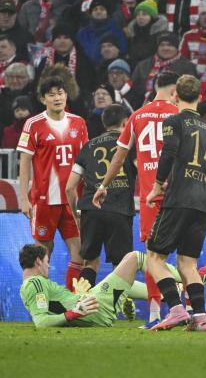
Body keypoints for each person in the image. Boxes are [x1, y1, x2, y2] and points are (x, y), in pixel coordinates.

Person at [92, 71, 180, 329]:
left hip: (149, 197)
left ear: (155, 88)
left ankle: (154, 314)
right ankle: (189, 309)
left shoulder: (137, 116)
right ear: (175, 89)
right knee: (185, 256)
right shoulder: (179, 114)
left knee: (153, 255)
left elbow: (119, 157)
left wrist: (103, 186)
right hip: (178, 192)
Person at [144, 74, 206, 332]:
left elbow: (170, 151)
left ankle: (176, 309)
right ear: (200, 97)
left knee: (154, 256)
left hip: (180, 198)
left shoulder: (174, 120)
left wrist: (156, 185)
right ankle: (199, 317)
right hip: (201, 199)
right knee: (187, 262)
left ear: (175, 95)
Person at [16, 76, 89, 292]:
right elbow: (25, 163)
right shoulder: (33, 124)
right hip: (43, 200)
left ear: (66, 95)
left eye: (60, 92)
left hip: (72, 202)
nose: (57, 97)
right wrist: (24, 199)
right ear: (42, 99)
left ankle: (74, 304)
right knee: (40, 257)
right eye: (52, 94)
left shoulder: (79, 123)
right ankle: (40, 302)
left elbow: (86, 161)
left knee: (79, 255)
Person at [18, 244, 186, 328]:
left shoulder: (28, 286)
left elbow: (50, 310)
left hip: (90, 303)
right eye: (47, 262)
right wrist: (73, 313)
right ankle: (188, 277)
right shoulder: (35, 283)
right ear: (38, 261)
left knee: (126, 281)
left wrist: (74, 307)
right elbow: (40, 321)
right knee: (135, 258)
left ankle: (169, 292)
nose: (49, 266)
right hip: (96, 308)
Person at [65, 104, 136, 288]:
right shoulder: (129, 144)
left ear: (104, 123)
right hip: (119, 209)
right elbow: (143, 172)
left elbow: (69, 188)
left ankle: (82, 303)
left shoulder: (89, 146)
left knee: (90, 262)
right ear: (125, 121)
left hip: (91, 209)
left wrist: (76, 214)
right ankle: (112, 307)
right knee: (120, 265)